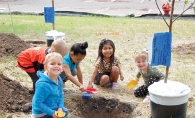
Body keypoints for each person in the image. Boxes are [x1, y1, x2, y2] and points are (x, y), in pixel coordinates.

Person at [32, 52, 69, 118]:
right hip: (41, 113)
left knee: (65, 111)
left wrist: (60, 107)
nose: (56, 66)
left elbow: (61, 94)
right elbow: (37, 103)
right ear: (45, 67)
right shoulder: (42, 84)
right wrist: (52, 113)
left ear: (62, 68)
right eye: (52, 64)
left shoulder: (59, 78)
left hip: (53, 107)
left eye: (59, 64)